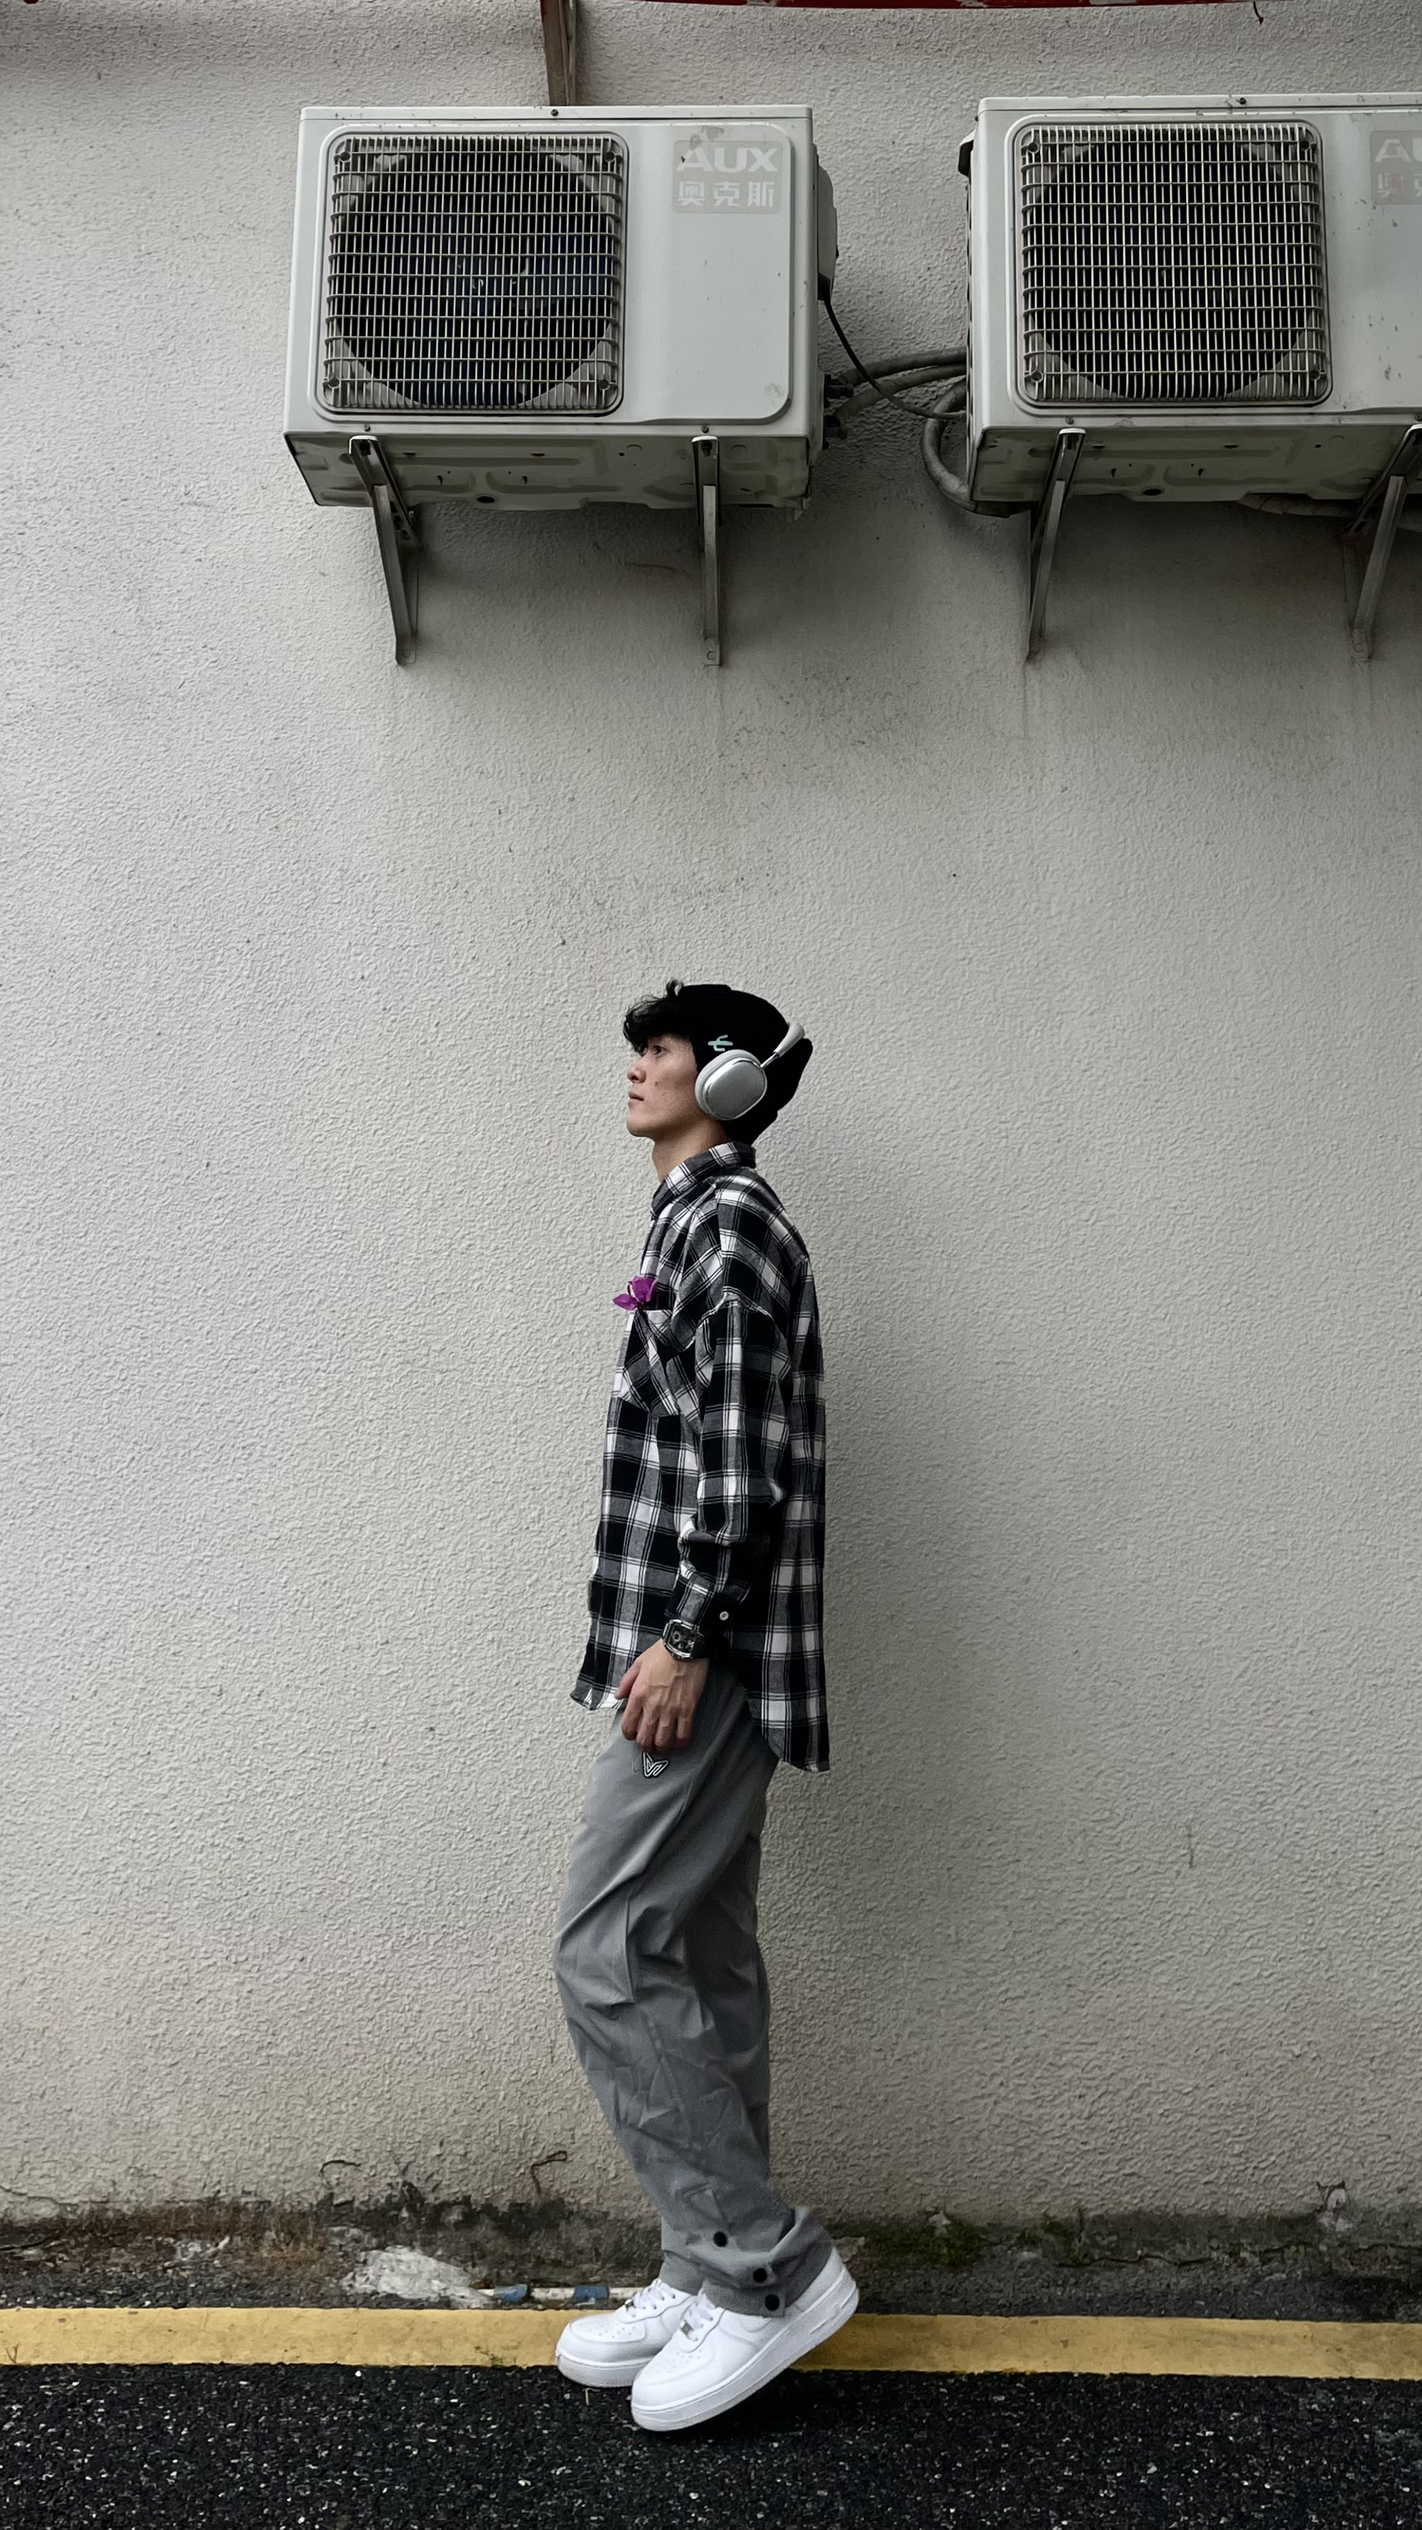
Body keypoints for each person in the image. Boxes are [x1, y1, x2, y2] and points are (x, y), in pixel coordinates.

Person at [551, 978, 857, 2433]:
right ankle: (703, 2262)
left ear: (727, 1079)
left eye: (660, 1049)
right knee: (696, 1949)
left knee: (606, 1947)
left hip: (708, 1651)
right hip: (706, 1648)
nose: (636, 1067)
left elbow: (740, 1472)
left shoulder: (725, 1227)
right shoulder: (692, 1223)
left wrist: (682, 1635)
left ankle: (763, 2266)